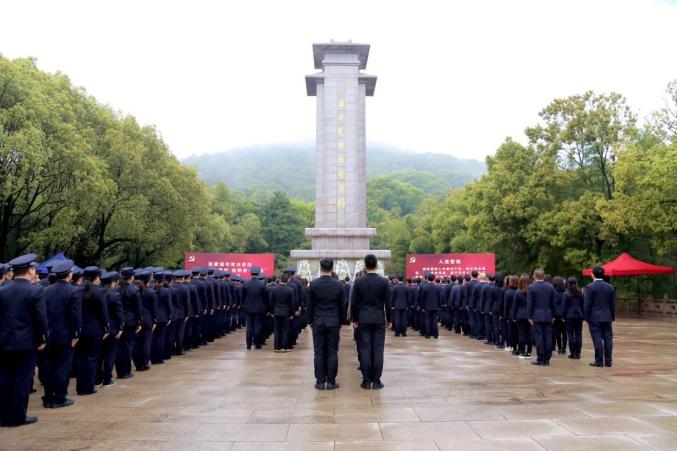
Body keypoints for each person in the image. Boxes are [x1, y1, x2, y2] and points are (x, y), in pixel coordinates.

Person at [0, 254, 48, 427]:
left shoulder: (2, 290)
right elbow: (40, 318)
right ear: (30, 270)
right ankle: (18, 416)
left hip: (4, 342)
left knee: (5, 378)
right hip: (27, 343)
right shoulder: (35, 290)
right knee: (22, 380)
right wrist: (43, 338)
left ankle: (4, 416)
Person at [40, 259, 80, 408]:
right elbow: (75, 315)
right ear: (69, 275)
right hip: (65, 335)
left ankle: (48, 396)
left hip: (49, 335)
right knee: (62, 367)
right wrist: (76, 334)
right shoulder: (73, 291)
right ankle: (60, 397)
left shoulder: (46, 290)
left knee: (48, 366)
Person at [351, 254, 392, 390]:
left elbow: (355, 303)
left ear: (365, 265)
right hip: (379, 319)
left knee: (365, 349)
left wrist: (355, 319)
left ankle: (367, 380)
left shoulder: (359, 281)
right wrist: (390, 320)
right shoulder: (384, 281)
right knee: (378, 350)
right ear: (377, 265)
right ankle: (377, 380)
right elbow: (388, 303)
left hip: (363, 319)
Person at [307, 258, 346, 390]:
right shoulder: (338, 284)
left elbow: (310, 305)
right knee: (332, 352)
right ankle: (331, 381)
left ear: (320, 267)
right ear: (332, 268)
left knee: (318, 352)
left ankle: (319, 381)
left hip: (318, 321)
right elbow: (342, 306)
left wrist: (309, 321)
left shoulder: (313, 284)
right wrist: (341, 322)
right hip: (333, 321)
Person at [76, 266, 110, 395]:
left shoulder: (78, 290)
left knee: (81, 359)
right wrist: (106, 327)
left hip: (80, 329)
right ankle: (89, 387)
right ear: (96, 277)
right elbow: (103, 312)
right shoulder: (98, 292)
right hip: (95, 329)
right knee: (92, 359)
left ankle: (80, 387)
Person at [584, 266, 616, 367]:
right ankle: (608, 361)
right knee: (608, 338)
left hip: (595, 317)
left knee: (597, 338)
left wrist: (586, 317)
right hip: (607, 316)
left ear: (592, 274)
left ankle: (599, 360)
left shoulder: (590, 287)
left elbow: (587, 304)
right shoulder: (610, 287)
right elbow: (612, 303)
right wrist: (612, 316)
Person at [114, 268, 141, 379]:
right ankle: (126, 371)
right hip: (130, 321)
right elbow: (137, 308)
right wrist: (139, 322)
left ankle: (120, 371)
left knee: (119, 347)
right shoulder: (134, 290)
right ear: (132, 277)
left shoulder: (115, 289)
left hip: (118, 320)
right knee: (127, 346)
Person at [98, 271, 123, 387]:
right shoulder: (114, 296)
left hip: (99, 329)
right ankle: (107, 379)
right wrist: (121, 327)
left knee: (99, 355)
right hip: (112, 328)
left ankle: (97, 379)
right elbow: (119, 314)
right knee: (110, 355)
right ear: (112, 282)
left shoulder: (97, 293)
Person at [527, 268, 556, 366]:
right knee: (548, 337)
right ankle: (547, 358)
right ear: (543, 276)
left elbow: (530, 304)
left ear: (534, 276)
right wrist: (554, 315)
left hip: (537, 315)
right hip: (548, 315)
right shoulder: (550, 287)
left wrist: (529, 316)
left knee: (539, 337)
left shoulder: (531, 287)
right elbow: (553, 303)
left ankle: (541, 358)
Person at [270, 272, 297, 352]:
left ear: (280, 279)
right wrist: (292, 314)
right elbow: (292, 303)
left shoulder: (274, 289)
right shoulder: (290, 290)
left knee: (277, 330)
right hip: (286, 312)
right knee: (285, 330)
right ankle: (284, 347)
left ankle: (276, 348)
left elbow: (271, 301)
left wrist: (271, 311)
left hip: (276, 312)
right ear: (288, 280)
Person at [242, 266, 268, 350]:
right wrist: (266, 307)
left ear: (251, 273)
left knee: (249, 326)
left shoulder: (246, 284)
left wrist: (244, 304)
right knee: (258, 326)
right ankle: (257, 344)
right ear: (258, 274)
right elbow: (265, 297)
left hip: (248, 308)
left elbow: (243, 296)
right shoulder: (262, 284)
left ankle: (248, 345)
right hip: (259, 308)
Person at [563, 277, 584, 360]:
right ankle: (578, 353)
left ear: (568, 284)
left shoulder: (566, 294)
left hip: (569, 316)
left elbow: (564, 307)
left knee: (570, 334)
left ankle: (573, 353)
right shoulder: (580, 293)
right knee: (579, 334)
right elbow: (583, 305)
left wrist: (563, 316)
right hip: (579, 315)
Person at [512, 274, 532, 359]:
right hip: (529, 316)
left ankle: (522, 351)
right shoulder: (531, 292)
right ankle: (529, 351)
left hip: (519, 315)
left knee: (521, 335)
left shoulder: (517, 292)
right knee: (529, 335)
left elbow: (514, 306)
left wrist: (513, 317)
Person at [418, 272, 441, 339]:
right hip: (435, 306)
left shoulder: (425, 287)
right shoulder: (436, 287)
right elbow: (438, 297)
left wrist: (422, 306)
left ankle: (427, 334)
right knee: (434, 321)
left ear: (427, 278)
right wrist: (438, 306)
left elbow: (423, 298)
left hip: (427, 307)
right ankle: (435, 335)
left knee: (427, 320)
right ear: (433, 279)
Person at [552, 276, 567, 355]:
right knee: (564, 332)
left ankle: (559, 347)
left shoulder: (554, 293)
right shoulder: (565, 292)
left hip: (556, 314)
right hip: (564, 314)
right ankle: (564, 348)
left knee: (557, 331)